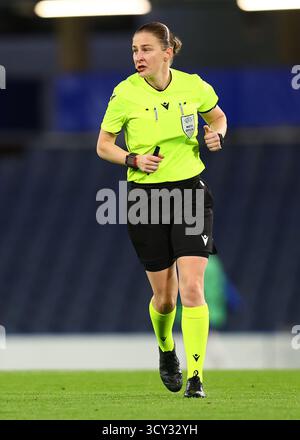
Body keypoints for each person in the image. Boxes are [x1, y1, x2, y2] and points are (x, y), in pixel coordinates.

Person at [97, 22, 227, 398]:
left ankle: (197, 377)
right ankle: (167, 349)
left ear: (167, 52)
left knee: (191, 287)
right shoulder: (124, 94)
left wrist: (218, 133)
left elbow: (217, 116)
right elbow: (104, 145)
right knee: (165, 297)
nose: (138, 57)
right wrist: (132, 157)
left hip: (189, 192)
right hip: (145, 199)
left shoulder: (194, 86)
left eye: (146, 49)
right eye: (135, 50)